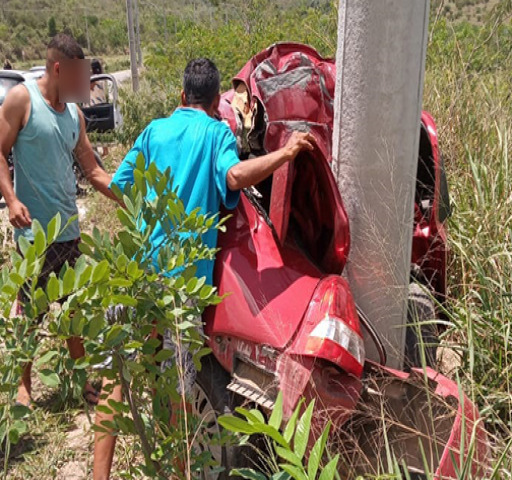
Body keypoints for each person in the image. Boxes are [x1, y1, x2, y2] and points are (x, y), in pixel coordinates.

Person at [93, 58, 316, 479]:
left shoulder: (153, 131)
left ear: (181, 96)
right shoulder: (217, 133)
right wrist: (285, 153)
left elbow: (118, 188)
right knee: (180, 387)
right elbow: (234, 176)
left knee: (115, 382)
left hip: (134, 274)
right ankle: (180, 470)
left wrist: (91, 166)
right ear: (217, 102)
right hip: (180, 290)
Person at [0, 34, 116, 408]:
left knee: (74, 310)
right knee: (30, 312)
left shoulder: (75, 115)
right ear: (58, 68)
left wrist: (129, 195)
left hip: (68, 230)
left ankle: (82, 380)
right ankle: (25, 388)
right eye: (78, 77)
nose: (83, 86)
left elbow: (92, 169)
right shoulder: (22, 100)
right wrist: (12, 199)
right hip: (32, 233)